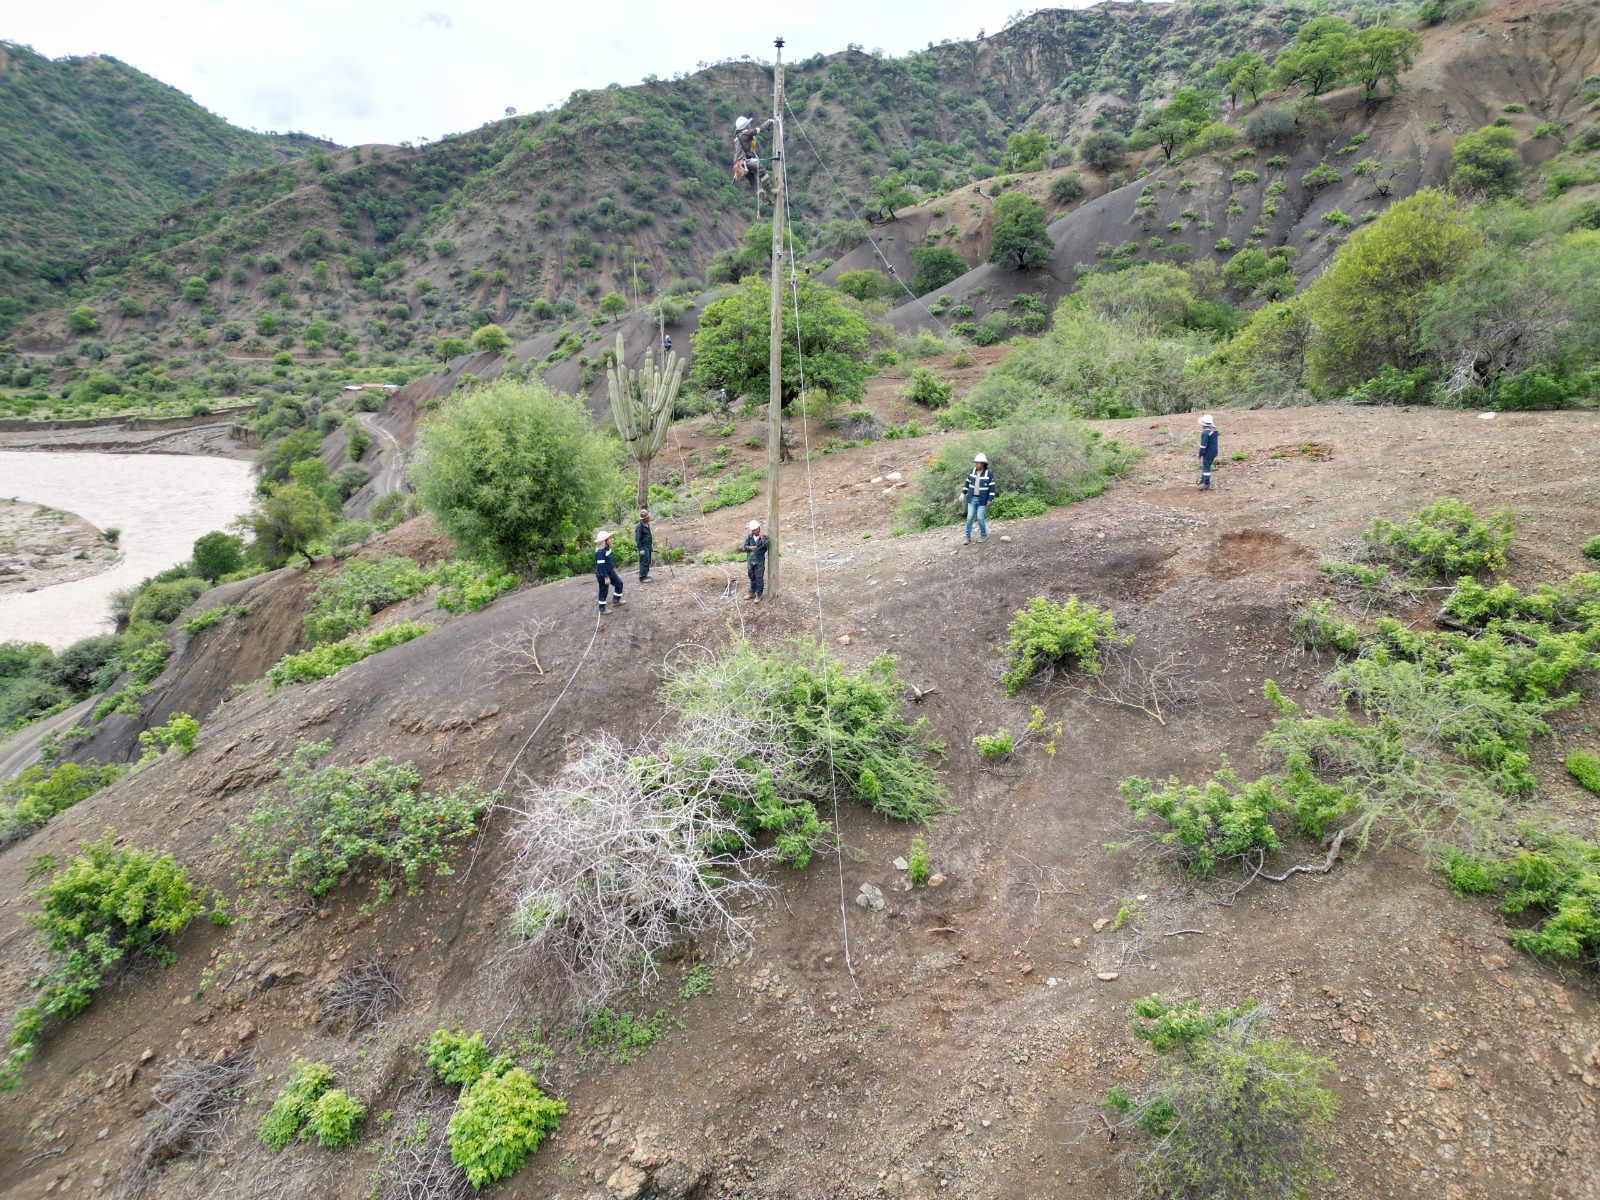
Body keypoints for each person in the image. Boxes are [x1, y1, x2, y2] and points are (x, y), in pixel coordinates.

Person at [733, 115, 775, 200]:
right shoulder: (745, 134)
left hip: (740, 165)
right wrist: (769, 122)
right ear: (746, 126)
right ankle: (769, 189)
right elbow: (759, 129)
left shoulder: (738, 138)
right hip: (743, 163)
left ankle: (765, 200)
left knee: (755, 182)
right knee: (760, 167)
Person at [962, 452, 996, 544]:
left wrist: (990, 499)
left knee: (980, 517)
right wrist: (963, 492)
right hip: (972, 498)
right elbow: (967, 483)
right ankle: (967, 537)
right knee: (969, 517)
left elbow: (992, 487)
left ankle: (984, 534)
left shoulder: (989, 473)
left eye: (978, 463)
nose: (976, 464)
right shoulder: (972, 471)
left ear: (983, 463)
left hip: (982, 499)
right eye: (976, 463)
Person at [594, 530, 626, 614]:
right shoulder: (599, 553)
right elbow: (600, 567)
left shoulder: (607, 548)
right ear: (605, 541)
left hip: (611, 572)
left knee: (619, 584)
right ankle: (602, 609)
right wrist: (605, 577)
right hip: (603, 575)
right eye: (609, 538)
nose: (610, 539)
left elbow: (609, 560)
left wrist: (613, 568)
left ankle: (616, 601)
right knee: (603, 591)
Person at [743, 519, 769, 602]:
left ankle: (759, 594)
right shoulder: (749, 537)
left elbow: (768, 545)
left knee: (759, 577)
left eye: (756, 529)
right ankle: (752, 592)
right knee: (752, 576)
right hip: (750, 561)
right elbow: (745, 546)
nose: (755, 531)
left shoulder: (764, 537)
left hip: (759, 561)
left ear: (759, 528)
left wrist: (762, 540)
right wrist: (750, 547)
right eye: (753, 530)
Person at [1197, 414, 1219, 490]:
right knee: (1206, 465)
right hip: (1214, 451)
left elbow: (1203, 446)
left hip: (1208, 453)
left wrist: (1200, 454)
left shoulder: (1205, 433)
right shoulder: (1214, 431)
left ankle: (1206, 483)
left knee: (1206, 467)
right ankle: (1203, 478)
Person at [634, 509, 654, 583]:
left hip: (648, 545)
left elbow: (649, 535)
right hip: (644, 546)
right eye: (647, 517)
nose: (649, 517)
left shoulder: (647, 525)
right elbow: (638, 539)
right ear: (644, 518)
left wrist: (651, 544)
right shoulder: (639, 527)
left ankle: (645, 575)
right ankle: (642, 577)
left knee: (648, 560)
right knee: (644, 561)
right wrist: (640, 549)